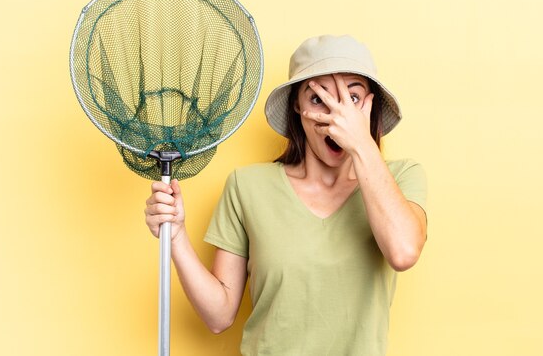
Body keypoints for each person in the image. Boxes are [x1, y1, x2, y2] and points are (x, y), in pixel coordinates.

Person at [144, 34, 428, 355]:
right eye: (318, 99)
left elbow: (403, 252)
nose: (335, 117)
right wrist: (177, 235)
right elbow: (219, 316)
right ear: (297, 106)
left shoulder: (402, 178)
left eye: (352, 98)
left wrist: (362, 143)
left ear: (371, 105)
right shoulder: (246, 186)